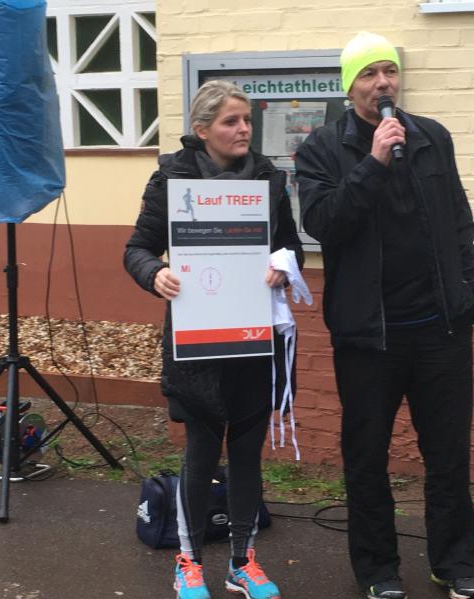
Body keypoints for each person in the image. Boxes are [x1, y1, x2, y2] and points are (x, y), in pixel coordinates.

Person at [294, 32, 474, 599]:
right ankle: (378, 571)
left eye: (389, 71)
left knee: (448, 456)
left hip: (441, 329)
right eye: (368, 74)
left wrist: (468, 289)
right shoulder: (322, 149)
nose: (382, 83)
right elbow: (323, 223)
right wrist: (373, 163)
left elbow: (459, 219)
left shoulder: (431, 137)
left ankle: (456, 564)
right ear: (348, 85)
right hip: (369, 336)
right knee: (367, 458)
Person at [125, 80, 304, 599]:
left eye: (247, 119)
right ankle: (189, 562)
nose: (244, 129)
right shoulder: (171, 177)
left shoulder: (268, 178)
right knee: (201, 454)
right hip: (198, 343)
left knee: (247, 453)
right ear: (202, 130)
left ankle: (243, 562)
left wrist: (282, 265)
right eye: (231, 121)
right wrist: (154, 273)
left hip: (253, 338)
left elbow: (290, 245)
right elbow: (137, 248)